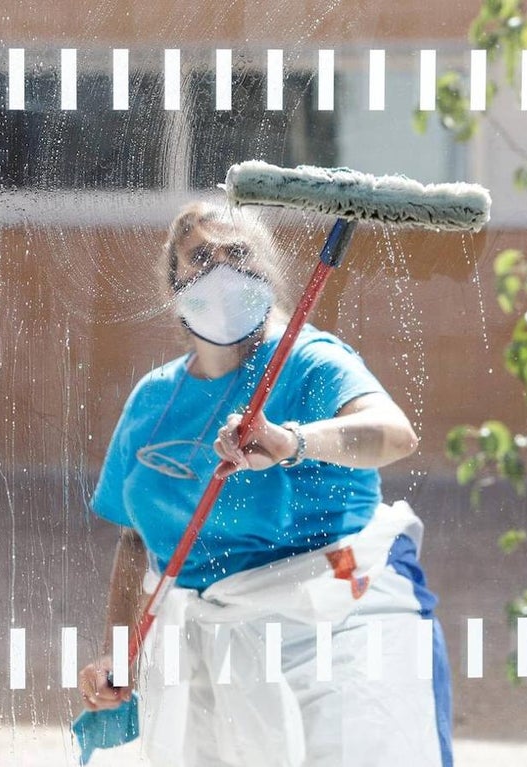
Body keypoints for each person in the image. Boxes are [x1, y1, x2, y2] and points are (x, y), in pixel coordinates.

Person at [78, 201, 453, 767]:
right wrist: (120, 656)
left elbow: (394, 435)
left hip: (330, 634)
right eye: (201, 257)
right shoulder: (153, 400)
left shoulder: (311, 362)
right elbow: (135, 540)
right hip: (206, 654)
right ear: (174, 285)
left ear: (270, 272)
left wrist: (293, 442)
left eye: (239, 255)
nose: (221, 271)